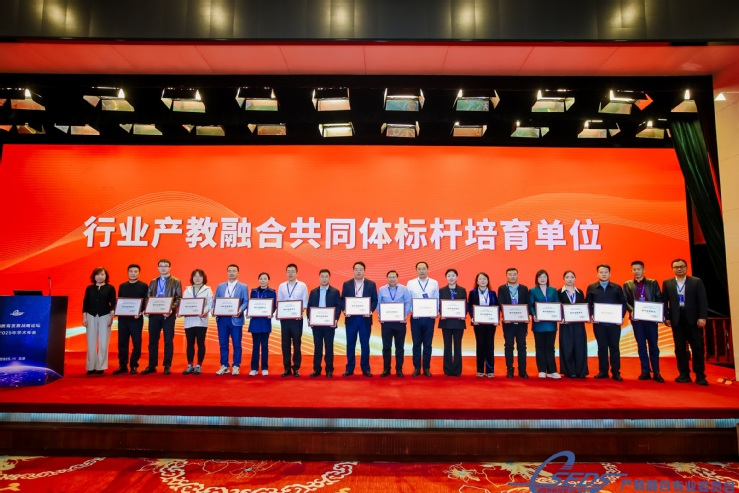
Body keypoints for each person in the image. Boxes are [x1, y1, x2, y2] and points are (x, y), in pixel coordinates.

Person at [662, 258, 709, 386]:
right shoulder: (667, 283)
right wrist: (666, 317)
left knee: (697, 347)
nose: (679, 269)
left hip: (694, 319)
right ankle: (684, 374)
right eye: (676, 267)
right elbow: (664, 301)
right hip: (677, 319)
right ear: (672, 269)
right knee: (680, 348)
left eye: (681, 266)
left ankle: (700, 375)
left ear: (686, 267)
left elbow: (703, 300)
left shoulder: (696, 281)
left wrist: (702, 317)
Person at [623, 261, 665, 383]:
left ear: (643, 270)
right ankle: (645, 371)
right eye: (634, 269)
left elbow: (659, 298)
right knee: (641, 346)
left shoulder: (652, 283)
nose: (636, 271)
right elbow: (625, 301)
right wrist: (632, 311)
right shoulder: (627, 284)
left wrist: (658, 313)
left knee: (653, 346)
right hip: (637, 321)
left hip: (651, 319)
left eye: (639, 269)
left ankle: (656, 372)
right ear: (631, 270)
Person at [585, 264, 626, 381]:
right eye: (601, 272)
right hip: (599, 324)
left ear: (610, 274)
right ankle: (603, 371)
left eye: (606, 272)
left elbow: (623, 303)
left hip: (614, 324)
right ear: (597, 274)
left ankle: (616, 372)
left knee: (614, 348)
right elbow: (588, 303)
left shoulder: (617, 287)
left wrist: (621, 317)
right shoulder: (592, 287)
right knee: (602, 347)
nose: (603, 274)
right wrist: (591, 315)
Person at [142, 259, 182, 375]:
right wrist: (147, 309)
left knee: (168, 340)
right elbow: (148, 297)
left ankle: (167, 365)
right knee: (153, 340)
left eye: (166, 266)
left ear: (170, 267)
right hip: (154, 315)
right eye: (161, 266)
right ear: (158, 268)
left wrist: (171, 309)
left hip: (168, 315)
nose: (163, 268)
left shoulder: (176, 281)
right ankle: (152, 365)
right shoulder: (153, 281)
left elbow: (178, 298)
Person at [341, 261, 378, 377]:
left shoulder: (371, 284)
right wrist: (345, 310)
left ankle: (366, 368)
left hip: (365, 319)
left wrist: (370, 311)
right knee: (350, 344)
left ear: (364, 271)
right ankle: (349, 368)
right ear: (353, 271)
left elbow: (375, 300)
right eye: (356, 269)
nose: (358, 271)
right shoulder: (347, 284)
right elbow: (342, 299)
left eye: (361, 269)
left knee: (365, 344)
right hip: (351, 319)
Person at [406, 261, 440, 377]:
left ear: (427, 269)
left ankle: (426, 368)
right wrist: (412, 311)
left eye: (424, 268)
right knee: (416, 343)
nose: (421, 271)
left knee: (428, 344)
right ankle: (416, 367)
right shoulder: (411, 283)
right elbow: (408, 299)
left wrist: (435, 311)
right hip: (416, 317)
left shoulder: (434, 283)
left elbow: (437, 298)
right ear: (416, 270)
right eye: (419, 269)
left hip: (429, 318)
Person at [214, 264, 249, 376]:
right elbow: (215, 301)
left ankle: (236, 365)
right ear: (227, 272)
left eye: (234, 271)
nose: (232, 273)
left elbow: (246, 301)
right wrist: (214, 309)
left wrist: (240, 309)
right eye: (229, 271)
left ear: (238, 273)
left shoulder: (243, 286)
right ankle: (224, 365)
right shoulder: (220, 286)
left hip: (236, 319)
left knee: (237, 343)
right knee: (223, 344)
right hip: (222, 319)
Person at [114, 263, 148, 375]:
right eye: (131, 271)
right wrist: (117, 311)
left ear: (139, 273)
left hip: (136, 318)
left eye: (135, 271)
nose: (133, 273)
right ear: (127, 273)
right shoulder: (122, 286)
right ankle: (122, 365)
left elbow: (145, 301)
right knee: (122, 343)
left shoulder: (143, 286)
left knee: (136, 343)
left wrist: (140, 312)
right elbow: (120, 301)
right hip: (123, 319)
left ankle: (134, 365)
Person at [307, 269, 342, 378]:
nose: (324, 278)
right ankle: (316, 369)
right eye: (322, 276)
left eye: (326, 276)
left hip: (329, 325)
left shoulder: (335, 292)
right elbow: (309, 306)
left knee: (329, 347)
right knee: (317, 347)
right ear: (319, 278)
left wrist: (335, 319)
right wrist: (309, 318)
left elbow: (338, 306)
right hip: (316, 325)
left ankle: (329, 370)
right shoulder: (313, 292)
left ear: (329, 278)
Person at [82, 267, 116, 375]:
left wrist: (111, 316)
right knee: (91, 342)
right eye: (97, 274)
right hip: (90, 315)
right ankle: (91, 367)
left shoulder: (110, 288)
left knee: (103, 342)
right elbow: (85, 303)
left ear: (106, 276)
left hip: (105, 315)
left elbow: (113, 303)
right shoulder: (89, 288)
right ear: (94, 276)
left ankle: (101, 366)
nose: (100, 276)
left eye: (102, 274)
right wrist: (84, 317)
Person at [377, 270, 412, 377]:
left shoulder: (404, 289)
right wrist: (381, 315)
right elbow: (378, 304)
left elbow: (408, 303)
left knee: (399, 347)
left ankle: (399, 370)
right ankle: (386, 369)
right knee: (386, 347)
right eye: (390, 277)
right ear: (387, 278)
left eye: (394, 277)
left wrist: (404, 315)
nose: (392, 279)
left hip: (400, 323)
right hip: (386, 323)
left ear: (397, 278)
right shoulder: (382, 290)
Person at [497, 267, 530, 379]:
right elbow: (501, 303)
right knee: (508, 346)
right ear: (506, 276)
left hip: (521, 322)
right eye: (510, 274)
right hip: (508, 322)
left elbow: (528, 303)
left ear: (517, 275)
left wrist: (527, 315)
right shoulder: (502, 288)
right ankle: (510, 370)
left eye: (514, 274)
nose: (512, 276)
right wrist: (504, 315)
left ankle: (522, 370)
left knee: (522, 346)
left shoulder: (524, 288)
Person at [277, 263, 309, 377]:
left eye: (292, 271)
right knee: (285, 344)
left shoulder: (302, 286)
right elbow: (279, 302)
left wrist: (299, 311)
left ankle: (296, 368)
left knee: (296, 344)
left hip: (297, 320)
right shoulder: (281, 286)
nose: (290, 273)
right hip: (285, 320)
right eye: (288, 271)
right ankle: (286, 368)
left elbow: (305, 302)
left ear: (296, 273)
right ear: (286, 273)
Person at [529, 269, 560, 379]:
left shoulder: (553, 290)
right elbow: (531, 305)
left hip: (551, 324)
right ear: (537, 279)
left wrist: (558, 315)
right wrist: (534, 315)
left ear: (547, 278)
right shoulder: (532, 290)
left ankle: (552, 371)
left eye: (544, 277)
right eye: (540, 277)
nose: (542, 279)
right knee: (540, 347)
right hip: (538, 324)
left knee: (550, 347)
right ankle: (542, 370)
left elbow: (557, 304)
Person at [182, 269, 213, 375]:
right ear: (192, 278)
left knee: (200, 343)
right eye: (195, 276)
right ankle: (190, 365)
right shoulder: (187, 290)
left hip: (201, 320)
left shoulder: (208, 290)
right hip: (189, 321)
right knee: (190, 343)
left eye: (200, 276)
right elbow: (184, 304)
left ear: (203, 278)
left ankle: (199, 365)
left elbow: (210, 304)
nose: (197, 278)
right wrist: (182, 311)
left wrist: (203, 311)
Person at [558, 270, 589, 378]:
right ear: (564, 279)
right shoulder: (559, 292)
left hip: (578, 324)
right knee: (567, 347)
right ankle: (569, 371)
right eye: (567, 277)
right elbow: (557, 307)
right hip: (565, 324)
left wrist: (586, 316)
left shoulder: (580, 292)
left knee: (580, 346)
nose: (570, 279)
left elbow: (584, 307)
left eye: (572, 277)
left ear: (575, 279)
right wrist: (560, 317)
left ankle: (581, 371)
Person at [467, 272, 498, 378]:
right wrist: (473, 318)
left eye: (485, 279)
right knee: (480, 346)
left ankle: (490, 370)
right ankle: (480, 369)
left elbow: (496, 306)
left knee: (490, 346)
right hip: (478, 323)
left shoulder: (492, 293)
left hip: (490, 324)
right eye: (480, 279)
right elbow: (470, 307)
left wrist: (496, 319)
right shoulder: (472, 293)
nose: (483, 281)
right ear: (477, 281)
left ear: (488, 281)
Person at [438, 268, 467, 377]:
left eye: (453, 275)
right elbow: (439, 305)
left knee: (458, 346)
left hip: (459, 323)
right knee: (447, 346)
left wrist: (463, 314)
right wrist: (441, 312)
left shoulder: (462, 290)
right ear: (446, 277)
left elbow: (465, 304)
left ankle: (457, 370)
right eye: (449, 276)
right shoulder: (442, 290)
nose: (451, 278)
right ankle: (448, 370)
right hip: (446, 322)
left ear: (457, 277)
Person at [248, 272, 276, 376]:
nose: (263, 280)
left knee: (265, 346)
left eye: (265, 278)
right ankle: (254, 368)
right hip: (255, 322)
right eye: (261, 278)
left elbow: (273, 306)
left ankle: (264, 368)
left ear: (269, 280)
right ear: (258, 280)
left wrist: (270, 312)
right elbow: (251, 304)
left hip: (265, 322)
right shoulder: (253, 291)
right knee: (255, 346)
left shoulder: (272, 292)